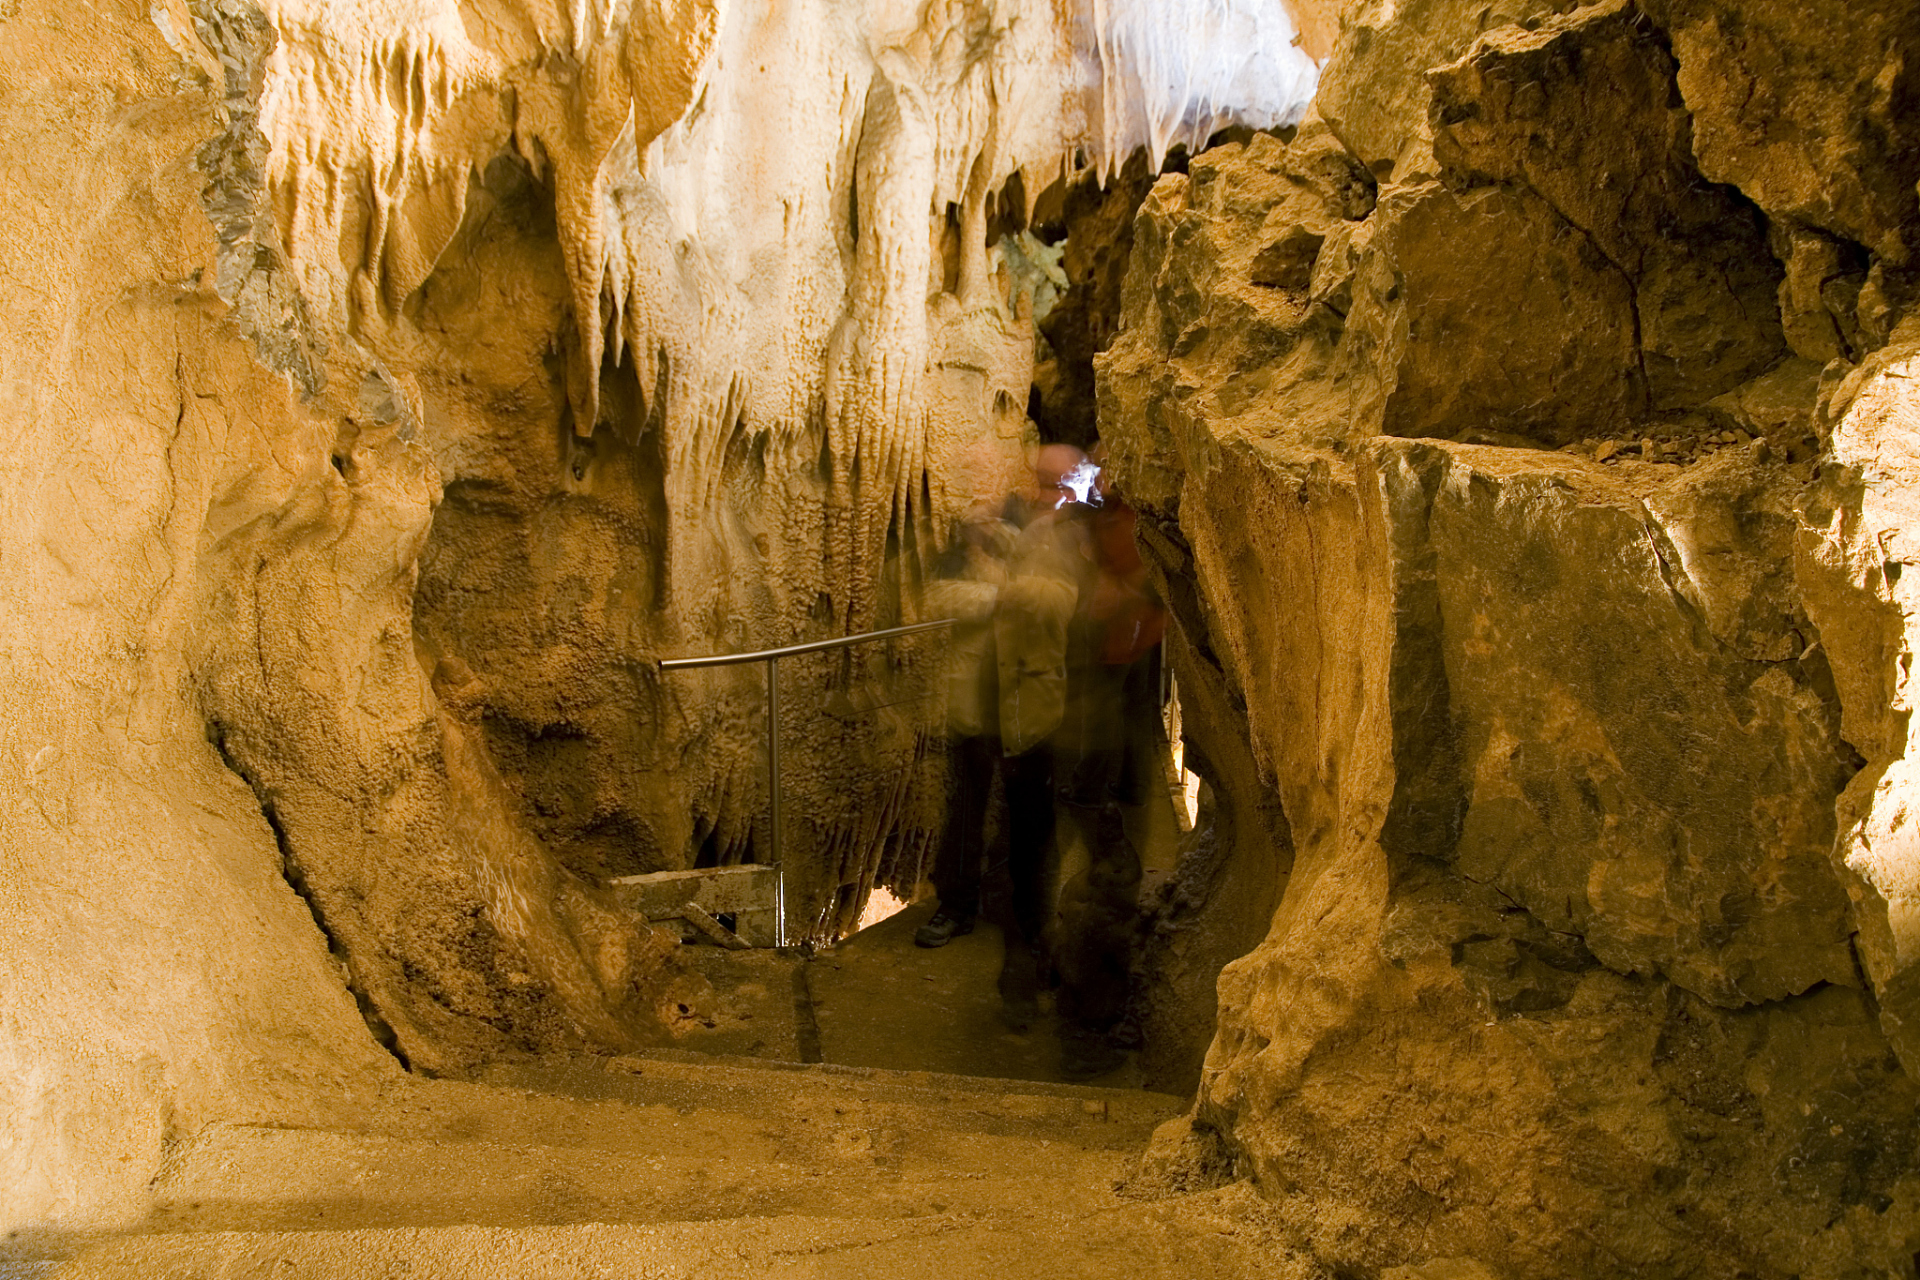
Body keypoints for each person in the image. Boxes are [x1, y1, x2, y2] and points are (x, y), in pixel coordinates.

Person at [913, 509, 1015, 948]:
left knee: (1024, 813)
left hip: (1024, 703)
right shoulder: (957, 559)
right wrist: (998, 598)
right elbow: (935, 597)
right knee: (966, 812)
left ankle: (1014, 903)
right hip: (975, 708)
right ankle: (956, 906)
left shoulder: (1026, 545)